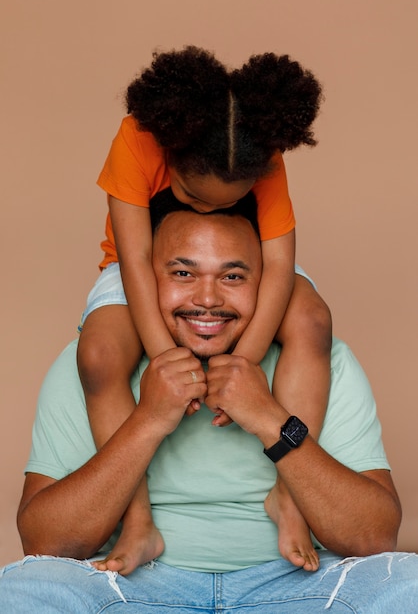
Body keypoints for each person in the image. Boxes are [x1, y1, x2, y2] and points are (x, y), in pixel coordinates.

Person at [1, 190, 417, 613]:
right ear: (144, 280)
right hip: (133, 588)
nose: (207, 299)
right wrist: (147, 420)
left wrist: (270, 419)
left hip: (295, 587)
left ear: (267, 283)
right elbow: (43, 543)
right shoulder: (96, 361)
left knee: (409, 585)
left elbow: (374, 537)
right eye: (183, 274)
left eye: (233, 277)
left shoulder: (320, 361)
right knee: (23, 592)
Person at [76, 46, 332, 575]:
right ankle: (137, 521)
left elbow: (280, 267)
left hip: (241, 272)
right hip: (148, 272)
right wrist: (169, 360)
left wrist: (241, 365)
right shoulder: (138, 138)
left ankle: (289, 494)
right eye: (192, 195)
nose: (207, 210)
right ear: (172, 153)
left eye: (226, 203)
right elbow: (136, 258)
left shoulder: (264, 152)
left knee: (312, 321)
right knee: (100, 354)